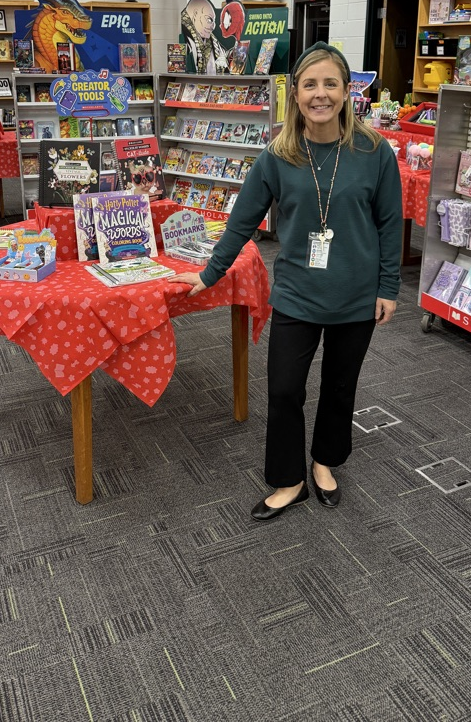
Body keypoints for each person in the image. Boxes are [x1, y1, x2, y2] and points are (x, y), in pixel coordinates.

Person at [172, 42, 403, 521]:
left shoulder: (374, 152)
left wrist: (388, 288)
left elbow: (389, 223)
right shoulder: (277, 155)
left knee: (341, 388)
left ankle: (324, 463)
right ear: (295, 94)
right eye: (310, 85)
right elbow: (242, 220)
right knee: (283, 390)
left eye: (330, 84)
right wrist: (211, 273)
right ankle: (289, 478)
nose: (321, 94)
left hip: (356, 296)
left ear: (347, 91)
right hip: (297, 294)